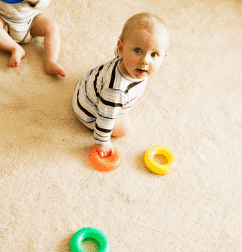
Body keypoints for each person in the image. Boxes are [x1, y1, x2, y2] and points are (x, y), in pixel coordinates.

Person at [72, 12, 169, 157]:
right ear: (121, 49)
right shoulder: (115, 91)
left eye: (154, 54)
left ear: (164, 57)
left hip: (88, 84)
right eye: (138, 50)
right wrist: (102, 142)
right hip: (90, 111)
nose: (145, 61)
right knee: (124, 126)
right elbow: (105, 117)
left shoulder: (131, 63)